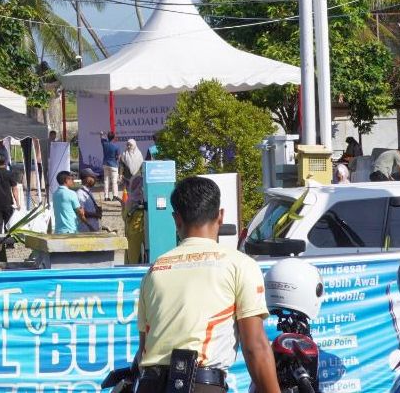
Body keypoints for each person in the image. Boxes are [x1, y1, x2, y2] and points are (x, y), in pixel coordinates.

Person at [136, 176, 280, 393]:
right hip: (200, 384)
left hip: (149, 385)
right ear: (220, 216)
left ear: (176, 219)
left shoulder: (156, 269)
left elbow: (143, 348)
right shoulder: (239, 265)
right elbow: (255, 347)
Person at [51, 170, 85, 234]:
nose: (73, 181)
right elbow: (79, 211)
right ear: (66, 180)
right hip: (70, 229)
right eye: (71, 179)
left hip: (58, 230)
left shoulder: (55, 194)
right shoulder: (71, 193)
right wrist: (82, 212)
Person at [101, 133, 122, 202]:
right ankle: (115, 196)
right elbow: (119, 157)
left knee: (106, 181)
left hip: (105, 164)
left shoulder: (105, 144)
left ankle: (106, 197)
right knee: (114, 182)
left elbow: (102, 137)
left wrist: (101, 134)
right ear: (114, 138)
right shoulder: (116, 147)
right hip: (113, 165)